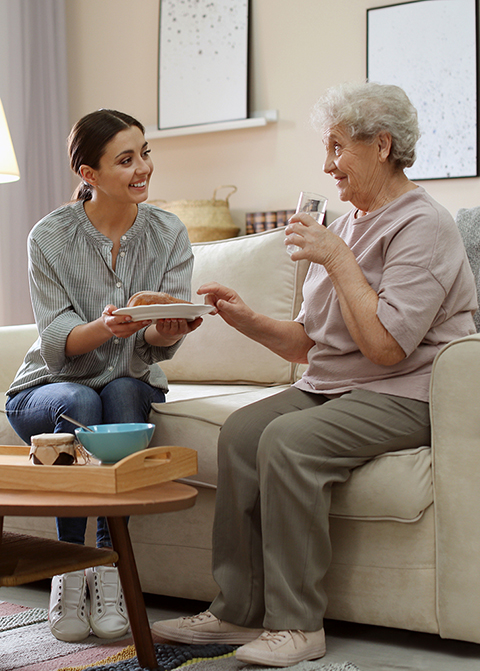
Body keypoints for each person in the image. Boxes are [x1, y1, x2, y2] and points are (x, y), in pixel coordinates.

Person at [152, 82, 478, 667]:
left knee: (289, 441)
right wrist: (245, 318)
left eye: (336, 148)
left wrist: (335, 258)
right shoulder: (348, 224)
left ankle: (298, 626)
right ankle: (234, 611)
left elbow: (385, 348)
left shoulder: (425, 226)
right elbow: (310, 342)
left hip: (404, 393)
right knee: (244, 432)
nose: (326, 165)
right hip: (331, 387)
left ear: (382, 145)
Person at [5, 109, 201, 643]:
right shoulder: (49, 237)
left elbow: (159, 345)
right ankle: (71, 571)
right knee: (83, 401)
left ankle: (108, 571)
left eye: (145, 153)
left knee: (121, 391)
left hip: (127, 378)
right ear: (88, 174)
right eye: (126, 159)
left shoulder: (167, 233)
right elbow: (57, 345)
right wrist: (107, 327)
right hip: (46, 390)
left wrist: (164, 328)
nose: (143, 168)